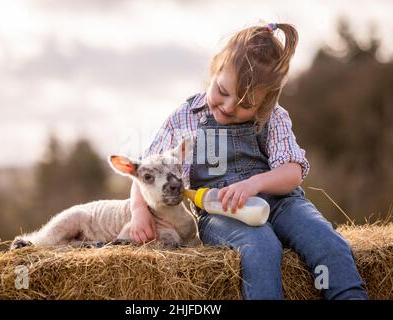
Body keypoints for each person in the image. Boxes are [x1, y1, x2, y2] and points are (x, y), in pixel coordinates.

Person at [129, 23, 368, 300]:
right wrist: (139, 210)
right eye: (222, 91)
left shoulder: (273, 117)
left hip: (282, 204)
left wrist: (255, 184)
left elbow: (292, 172)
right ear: (215, 70)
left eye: (244, 105)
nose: (229, 107)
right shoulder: (185, 118)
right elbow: (146, 170)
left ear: (264, 103)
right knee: (262, 246)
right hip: (220, 213)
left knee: (325, 240)